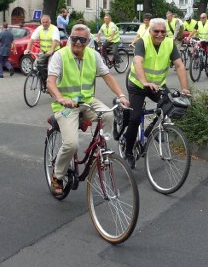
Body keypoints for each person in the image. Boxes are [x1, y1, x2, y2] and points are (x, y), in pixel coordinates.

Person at [46, 24, 130, 195]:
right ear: (69, 38)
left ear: (88, 41)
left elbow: (107, 77)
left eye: (82, 39)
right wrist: (61, 98)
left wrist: (121, 95)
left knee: (108, 114)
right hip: (66, 106)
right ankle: (58, 175)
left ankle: (99, 151)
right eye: (74, 38)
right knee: (71, 144)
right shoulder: (59, 56)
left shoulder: (94, 55)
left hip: (87, 101)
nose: (77, 42)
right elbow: (50, 82)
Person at [121, 18, 190, 169]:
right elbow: (138, 62)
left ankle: (154, 131)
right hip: (138, 84)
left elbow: (179, 65)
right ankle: (128, 152)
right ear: (150, 31)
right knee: (135, 118)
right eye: (156, 31)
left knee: (170, 105)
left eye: (163, 31)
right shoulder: (143, 42)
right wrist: (145, 82)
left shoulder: (169, 44)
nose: (160, 34)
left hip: (157, 85)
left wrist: (185, 89)